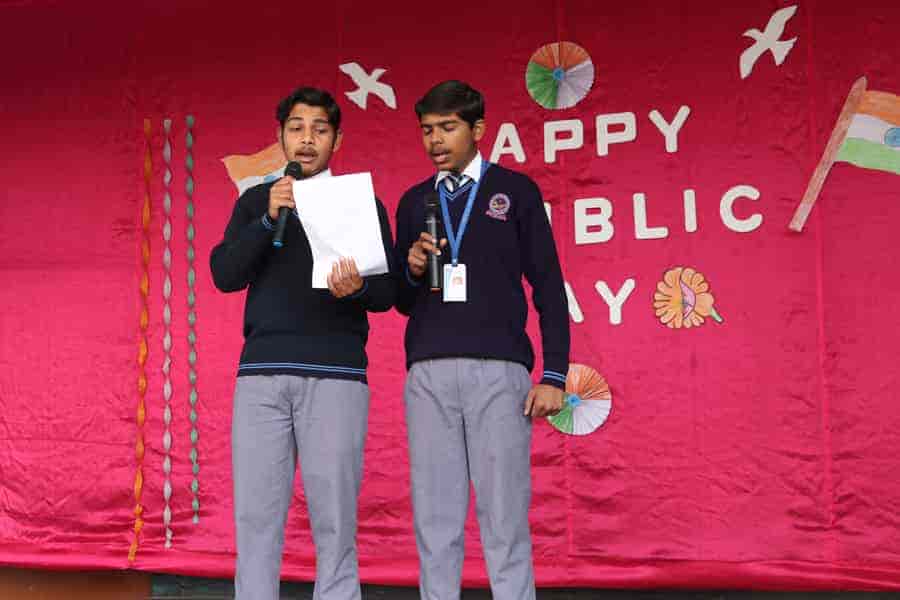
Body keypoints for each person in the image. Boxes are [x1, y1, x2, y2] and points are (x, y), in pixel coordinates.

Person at [210, 86, 395, 600]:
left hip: (336, 376)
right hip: (261, 377)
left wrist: (358, 288)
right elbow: (224, 274)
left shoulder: (362, 203)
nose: (307, 139)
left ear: (337, 139)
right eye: (296, 128)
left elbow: (389, 293)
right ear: (281, 137)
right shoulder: (257, 201)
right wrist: (267, 218)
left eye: (319, 129)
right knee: (256, 517)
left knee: (334, 518)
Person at [393, 80, 570, 600]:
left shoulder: (515, 190)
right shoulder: (413, 201)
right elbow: (402, 301)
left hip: (499, 371)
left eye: (447, 128)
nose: (435, 140)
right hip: (428, 371)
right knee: (435, 521)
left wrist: (554, 374)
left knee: (504, 519)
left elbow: (548, 284)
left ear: (478, 129)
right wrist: (411, 268)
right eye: (427, 130)